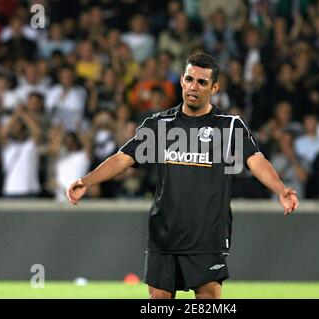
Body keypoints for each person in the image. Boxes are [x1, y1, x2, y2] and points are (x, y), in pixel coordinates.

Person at [66, 53, 299, 299]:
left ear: (215, 87)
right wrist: (87, 181)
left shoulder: (229, 126)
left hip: (207, 235)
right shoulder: (159, 124)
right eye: (189, 79)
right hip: (164, 233)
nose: (193, 87)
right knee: (158, 302)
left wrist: (281, 189)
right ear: (181, 80)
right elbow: (122, 158)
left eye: (202, 82)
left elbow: (256, 160)